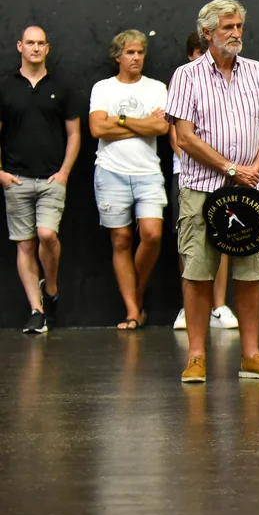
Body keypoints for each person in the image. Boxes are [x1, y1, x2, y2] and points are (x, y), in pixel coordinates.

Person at [166, 0, 259, 383]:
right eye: (227, 27)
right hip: (202, 189)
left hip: (251, 191)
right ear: (207, 33)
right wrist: (231, 168)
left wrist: (255, 168)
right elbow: (184, 137)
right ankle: (196, 357)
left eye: (238, 27)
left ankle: (251, 355)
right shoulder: (186, 76)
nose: (235, 33)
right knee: (198, 272)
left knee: (250, 273)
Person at [0, 26, 80, 334]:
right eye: (30, 43)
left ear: (47, 48)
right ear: (19, 46)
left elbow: (74, 134)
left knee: (47, 235)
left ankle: (51, 288)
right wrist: (2, 174)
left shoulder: (62, 86)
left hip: (51, 180)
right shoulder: (6, 86)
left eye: (41, 43)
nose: (35, 48)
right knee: (24, 245)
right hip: (16, 179)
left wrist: (64, 173)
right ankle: (37, 311)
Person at [88, 29, 169, 329]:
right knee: (120, 240)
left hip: (148, 173)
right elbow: (97, 129)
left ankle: (136, 290)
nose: (136, 58)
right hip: (110, 172)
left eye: (140, 52)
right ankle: (133, 311)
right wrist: (141, 124)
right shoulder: (103, 88)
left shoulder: (157, 88)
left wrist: (119, 120)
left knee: (152, 235)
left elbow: (161, 128)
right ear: (117, 57)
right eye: (130, 53)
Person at [171, 32, 235, 331]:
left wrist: (227, 166)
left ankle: (218, 306)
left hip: (229, 175)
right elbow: (178, 137)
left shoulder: (235, 81)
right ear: (191, 55)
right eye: (198, 53)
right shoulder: (184, 79)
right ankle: (191, 307)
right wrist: (204, 160)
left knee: (223, 239)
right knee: (192, 245)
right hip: (191, 176)